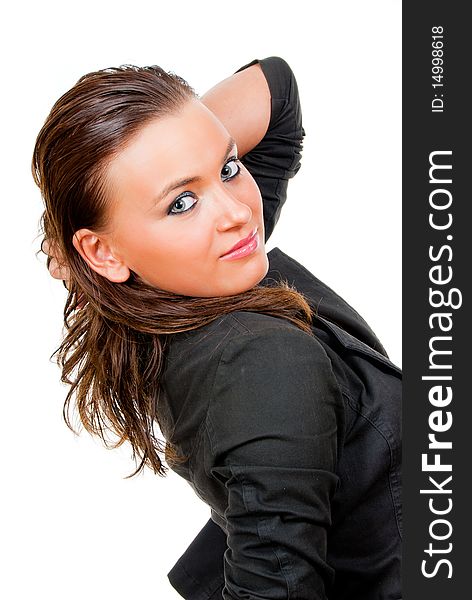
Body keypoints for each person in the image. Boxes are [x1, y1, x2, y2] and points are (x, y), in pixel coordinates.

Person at [34, 56, 402, 599]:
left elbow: (275, 92)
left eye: (228, 167)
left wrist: (176, 148)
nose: (236, 211)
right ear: (103, 250)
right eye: (181, 202)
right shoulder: (262, 361)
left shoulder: (173, 281)